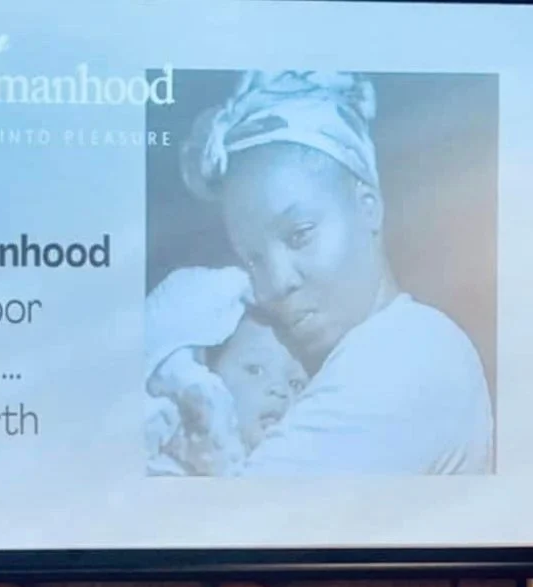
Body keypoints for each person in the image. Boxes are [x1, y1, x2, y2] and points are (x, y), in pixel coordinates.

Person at [178, 70, 494, 475]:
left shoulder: (407, 353)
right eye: (253, 260)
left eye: (299, 235)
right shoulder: (342, 364)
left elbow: (229, 512)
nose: (275, 284)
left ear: (367, 206)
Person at [145, 265, 308, 475]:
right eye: (255, 370)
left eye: (295, 383)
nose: (280, 389)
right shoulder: (170, 436)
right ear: (211, 372)